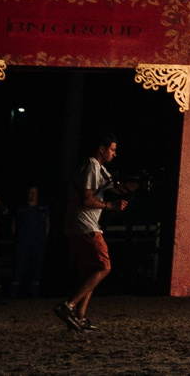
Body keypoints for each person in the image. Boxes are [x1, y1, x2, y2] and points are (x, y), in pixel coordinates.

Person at [59, 135, 127, 332]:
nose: (115, 153)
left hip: (77, 226)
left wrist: (136, 185)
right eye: (112, 149)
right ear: (102, 149)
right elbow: (86, 199)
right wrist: (110, 206)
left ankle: (79, 317)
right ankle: (68, 306)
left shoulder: (99, 169)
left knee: (91, 272)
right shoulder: (91, 166)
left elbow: (114, 186)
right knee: (104, 266)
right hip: (85, 226)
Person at [11, 186, 49, 299]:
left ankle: (34, 294)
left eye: (34, 192)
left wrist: (43, 239)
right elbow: (13, 225)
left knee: (36, 268)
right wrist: (16, 239)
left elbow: (47, 224)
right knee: (18, 267)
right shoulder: (20, 208)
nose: (32, 194)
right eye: (30, 192)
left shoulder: (43, 208)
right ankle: (13, 293)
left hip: (38, 243)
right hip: (22, 243)